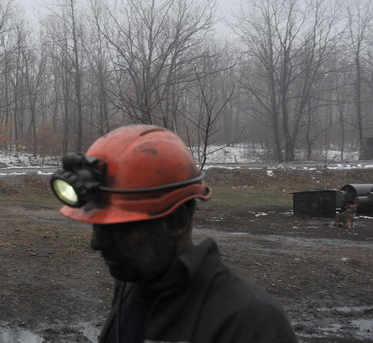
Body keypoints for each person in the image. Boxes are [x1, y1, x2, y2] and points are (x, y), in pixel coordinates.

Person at [50, 124, 297, 343]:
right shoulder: (131, 283)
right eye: (97, 224)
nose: (97, 243)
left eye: (119, 227)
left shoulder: (250, 321)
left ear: (176, 221)